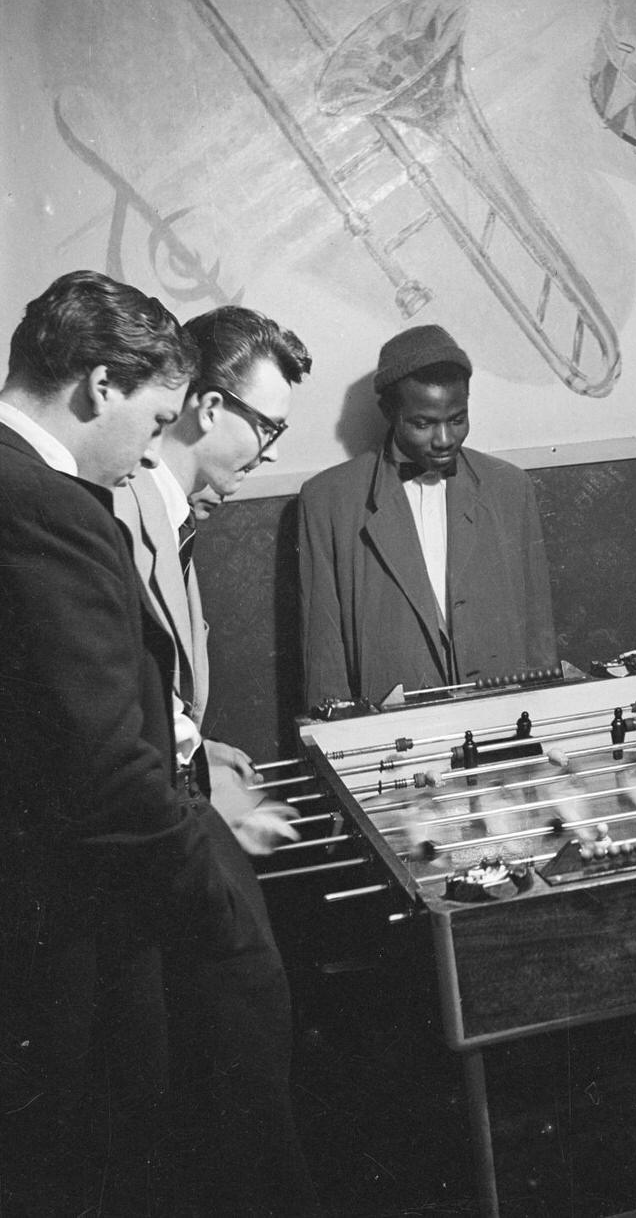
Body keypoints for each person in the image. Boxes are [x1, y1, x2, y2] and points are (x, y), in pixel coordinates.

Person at [0, 272, 317, 1214]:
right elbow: (98, 764)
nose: (149, 451)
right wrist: (206, 885)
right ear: (100, 386)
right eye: (153, 419)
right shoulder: (48, 505)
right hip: (70, 901)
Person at [115, 305, 311, 855]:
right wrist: (196, 783)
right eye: (269, 429)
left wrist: (196, 747)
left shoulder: (168, 509)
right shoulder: (121, 509)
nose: (270, 453)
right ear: (209, 408)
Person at [298, 324, 557, 709]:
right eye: (423, 423)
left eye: (457, 419)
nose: (444, 440)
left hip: (501, 723)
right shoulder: (328, 501)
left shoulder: (511, 488)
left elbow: (539, 637)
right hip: (394, 740)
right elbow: (323, 657)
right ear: (389, 412)